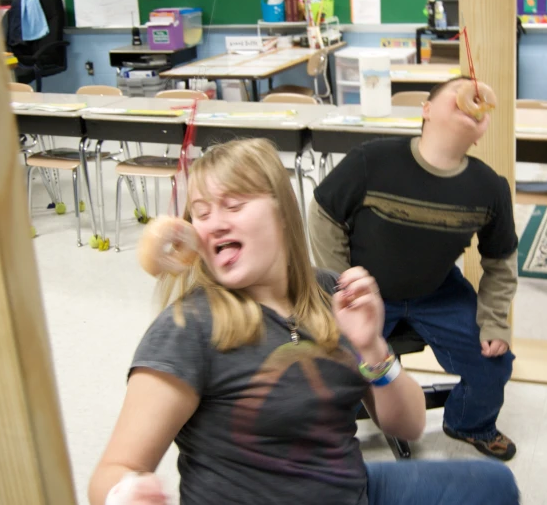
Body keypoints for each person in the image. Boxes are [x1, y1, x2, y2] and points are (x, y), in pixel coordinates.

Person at [88, 138, 520, 505]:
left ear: (282, 212)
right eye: (200, 213)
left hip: (352, 490)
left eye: (234, 204)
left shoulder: (334, 294)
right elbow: (113, 470)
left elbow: (407, 426)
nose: (214, 223)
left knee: (495, 487)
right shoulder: (188, 328)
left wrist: (372, 348)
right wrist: (125, 493)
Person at [309, 77, 519, 461]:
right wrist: (340, 287)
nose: (472, 100)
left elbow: (500, 261)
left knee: (495, 361)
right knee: (324, 365)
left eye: (482, 109)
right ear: (426, 109)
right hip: (365, 289)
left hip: (438, 291)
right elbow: (324, 214)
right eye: (458, 93)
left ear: (481, 131)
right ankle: (337, 432)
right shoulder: (371, 161)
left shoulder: (490, 188)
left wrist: (494, 320)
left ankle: (470, 423)